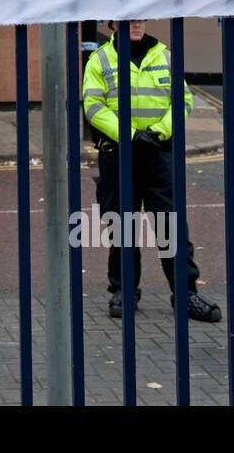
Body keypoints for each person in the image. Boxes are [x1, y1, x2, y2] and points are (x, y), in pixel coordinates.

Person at [82, 19, 221, 322]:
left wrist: (160, 131)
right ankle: (124, 291)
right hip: (120, 152)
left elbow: (183, 100)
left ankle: (186, 295)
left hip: (158, 151)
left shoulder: (165, 56)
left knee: (171, 226)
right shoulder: (100, 59)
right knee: (122, 225)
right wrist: (130, 135)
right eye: (129, 20)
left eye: (141, 19)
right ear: (113, 24)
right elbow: (93, 106)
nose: (136, 24)